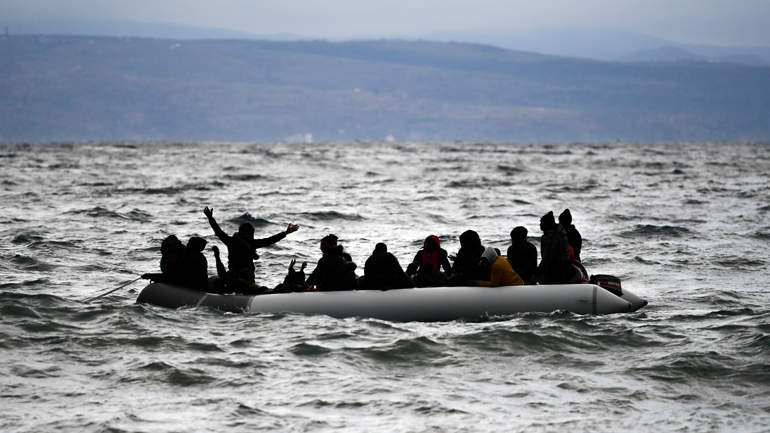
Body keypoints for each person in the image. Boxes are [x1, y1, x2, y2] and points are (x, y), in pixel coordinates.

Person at [203, 206, 298, 283]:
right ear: (240, 232)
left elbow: (269, 240)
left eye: (249, 231)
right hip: (234, 275)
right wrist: (210, 218)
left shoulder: (253, 244)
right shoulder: (231, 241)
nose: (247, 233)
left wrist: (285, 233)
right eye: (244, 231)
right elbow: (218, 232)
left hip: (249, 276)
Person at [532, 211, 575, 284]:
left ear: (546, 224)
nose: (540, 225)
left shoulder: (552, 236)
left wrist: (537, 274)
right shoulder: (558, 232)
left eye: (541, 223)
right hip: (564, 268)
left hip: (559, 271)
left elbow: (547, 257)